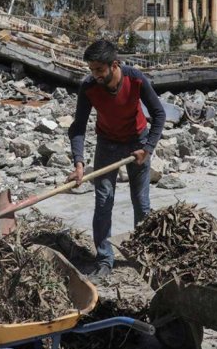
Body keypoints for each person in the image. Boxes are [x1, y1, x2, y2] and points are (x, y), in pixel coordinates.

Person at [68, 40, 165, 278]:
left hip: (138, 143)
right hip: (107, 144)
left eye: (99, 70)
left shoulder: (136, 79)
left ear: (114, 65)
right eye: (91, 70)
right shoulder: (89, 87)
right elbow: (78, 127)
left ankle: (144, 256)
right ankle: (104, 259)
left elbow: (159, 113)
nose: (95, 75)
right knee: (103, 201)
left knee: (141, 203)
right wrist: (79, 163)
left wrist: (148, 148)